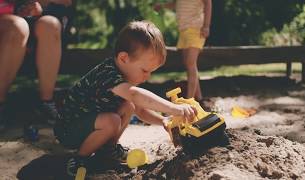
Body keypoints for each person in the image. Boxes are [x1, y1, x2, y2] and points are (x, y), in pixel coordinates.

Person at [53, 21, 197, 176]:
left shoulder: (122, 77)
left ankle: (108, 151)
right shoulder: (107, 74)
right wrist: (173, 108)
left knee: (128, 106)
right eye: (144, 70)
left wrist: (163, 120)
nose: (147, 77)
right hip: (68, 130)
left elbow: (140, 109)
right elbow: (136, 95)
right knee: (113, 120)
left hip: (89, 123)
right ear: (123, 58)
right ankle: (79, 159)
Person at [0, 0, 72, 130]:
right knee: (17, 26)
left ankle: (46, 103)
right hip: (7, 19)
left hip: (36, 22)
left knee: (50, 24)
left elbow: (66, 2)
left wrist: (40, 7)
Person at [155, 0, 212, 102]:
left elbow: (208, 3)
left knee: (190, 63)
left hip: (196, 28)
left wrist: (206, 26)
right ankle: (199, 97)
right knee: (189, 64)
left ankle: (190, 100)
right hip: (183, 30)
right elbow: (177, 3)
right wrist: (162, 6)